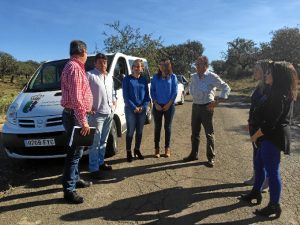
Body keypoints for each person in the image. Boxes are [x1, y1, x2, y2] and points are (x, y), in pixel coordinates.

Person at [240, 61, 298, 218]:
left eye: (269, 72)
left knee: (272, 172)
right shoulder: (274, 91)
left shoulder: (280, 94)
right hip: (266, 137)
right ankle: (255, 193)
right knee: (259, 165)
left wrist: (255, 135)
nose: (266, 74)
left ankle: (274, 205)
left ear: (277, 76)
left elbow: (270, 122)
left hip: (273, 137)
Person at [183, 55, 231, 167]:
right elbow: (190, 88)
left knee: (209, 134)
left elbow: (226, 87)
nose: (196, 66)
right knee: (194, 133)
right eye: (196, 64)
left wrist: (217, 101)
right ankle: (193, 154)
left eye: (199, 64)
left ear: (206, 65)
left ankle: (211, 157)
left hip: (207, 107)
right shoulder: (193, 76)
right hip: (195, 106)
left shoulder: (212, 76)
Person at [61, 40, 93, 204]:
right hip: (75, 116)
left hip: (75, 114)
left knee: (78, 152)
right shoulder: (74, 68)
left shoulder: (74, 67)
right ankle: (69, 190)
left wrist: (88, 109)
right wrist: (84, 121)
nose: (87, 55)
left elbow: (79, 96)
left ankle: (76, 179)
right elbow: (76, 99)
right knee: (73, 154)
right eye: (87, 52)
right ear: (83, 51)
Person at [87, 53, 117, 179]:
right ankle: (93, 169)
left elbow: (113, 91)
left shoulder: (109, 76)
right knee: (94, 142)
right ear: (95, 63)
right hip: (96, 114)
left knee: (104, 141)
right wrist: (88, 105)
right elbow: (84, 92)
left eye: (104, 62)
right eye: (100, 62)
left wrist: (115, 100)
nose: (103, 64)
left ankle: (100, 162)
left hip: (109, 112)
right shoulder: (89, 75)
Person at [244, 60, 270, 188]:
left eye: (257, 70)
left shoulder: (269, 88)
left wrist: (259, 127)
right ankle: (256, 176)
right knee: (256, 152)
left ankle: (265, 179)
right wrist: (249, 123)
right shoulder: (259, 86)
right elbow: (253, 107)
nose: (254, 72)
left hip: (262, 127)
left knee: (263, 153)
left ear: (265, 72)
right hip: (254, 125)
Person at [122, 59, 150, 162]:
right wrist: (134, 107)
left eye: (139, 66)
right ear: (132, 67)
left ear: (142, 68)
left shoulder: (143, 80)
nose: (137, 68)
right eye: (135, 66)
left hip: (142, 109)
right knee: (130, 132)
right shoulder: (127, 80)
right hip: (130, 110)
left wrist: (143, 106)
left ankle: (137, 150)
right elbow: (126, 96)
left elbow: (147, 96)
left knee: (139, 132)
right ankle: (128, 151)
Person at [150, 59, 178, 158]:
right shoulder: (155, 77)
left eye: (165, 64)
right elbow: (152, 91)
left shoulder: (173, 77)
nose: (162, 66)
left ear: (168, 66)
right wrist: (155, 103)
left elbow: (175, 92)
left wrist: (169, 103)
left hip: (169, 106)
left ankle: (167, 149)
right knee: (157, 127)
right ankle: (156, 149)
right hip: (157, 105)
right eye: (160, 64)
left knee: (168, 127)